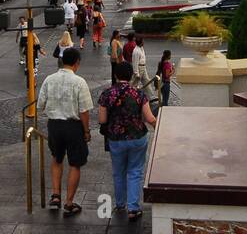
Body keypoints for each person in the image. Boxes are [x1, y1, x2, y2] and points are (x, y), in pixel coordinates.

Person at [37, 47, 93, 217]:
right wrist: (86, 131)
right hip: (73, 126)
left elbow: (40, 105)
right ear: (77, 63)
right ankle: (69, 202)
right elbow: (84, 111)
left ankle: (55, 196)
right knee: (75, 163)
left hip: (54, 125)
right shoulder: (79, 82)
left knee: (56, 158)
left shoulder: (49, 79)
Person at [99, 61, 157, 221]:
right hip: (137, 137)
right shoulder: (139, 94)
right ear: (131, 75)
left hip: (116, 138)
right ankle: (133, 207)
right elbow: (149, 117)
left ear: (116, 75)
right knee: (135, 171)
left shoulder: (106, 94)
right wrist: (158, 126)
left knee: (118, 172)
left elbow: (102, 119)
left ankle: (120, 204)